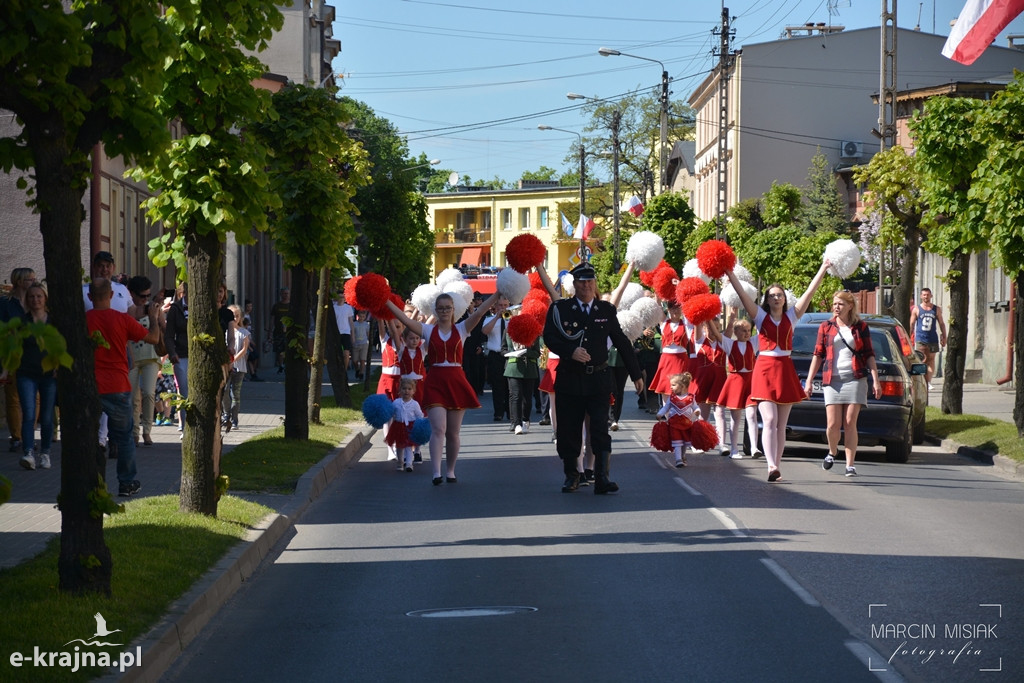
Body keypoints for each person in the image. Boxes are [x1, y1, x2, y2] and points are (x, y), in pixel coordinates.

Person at [725, 260, 831, 482]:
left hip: (784, 369)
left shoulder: (792, 316)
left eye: (779, 295)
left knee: (782, 424)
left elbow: (810, 292)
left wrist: (822, 267)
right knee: (770, 419)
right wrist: (729, 272)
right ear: (767, 300)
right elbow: (742, 295)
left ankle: (776, 465)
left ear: (785, 299)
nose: (776, 298)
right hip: (764, 369)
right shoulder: (760, 317)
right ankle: (771, 465)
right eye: (772, 295)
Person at [542, 262, 643, 494]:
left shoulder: (605, 310)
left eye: (590, 282)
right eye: (582, 282)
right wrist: (570, 352)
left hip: (598, 379)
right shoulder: (561, 309)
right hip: (570, 378)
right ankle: (572, 476)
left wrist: (636, 373)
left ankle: (602, 478)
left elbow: (621, 342)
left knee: (600, 429)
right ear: (574, 285)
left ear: (595, 284)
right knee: (569, 430)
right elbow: (549, 337)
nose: (586, 286)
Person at [385, 290, 501, 485]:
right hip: (436, 381)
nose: (445, 311)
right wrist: (386, 300)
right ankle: (436, 472)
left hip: (456, 381)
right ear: (436, 311)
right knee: (438, 428)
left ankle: (451, 471)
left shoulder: (463, 328)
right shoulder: (428, 330)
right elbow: (404, 320)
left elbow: (480, 311)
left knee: (453, 432)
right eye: (441, 308)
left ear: (454, 309)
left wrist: (498, 293)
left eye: (448, 308)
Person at [86, 278, 161, 496]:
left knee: (88, 436)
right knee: (124, 437)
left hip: (91, 385)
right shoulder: (121, 319)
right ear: (111, 296)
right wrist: (154, 318)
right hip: (118, 384)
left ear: (90, 297)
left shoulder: (84, 319)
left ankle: (89, 482)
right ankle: (126, 483)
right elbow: (154, 338)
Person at [803, 290, 882, 477]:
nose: (836, 307)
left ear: (850, 306)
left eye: (840, 304)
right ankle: (832, 451)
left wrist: (876, 380)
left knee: (849, 422)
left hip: (855, 378)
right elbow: (818, 355)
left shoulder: (861, 327)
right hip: (832, 380)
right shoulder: (826, 326)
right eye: (834, 303)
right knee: (832, 424)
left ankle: (850, 465)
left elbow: (869, 354)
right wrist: (808, 381)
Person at [2, 283, 57, 470]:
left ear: (45, 299)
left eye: (39, 296)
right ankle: (28, 453)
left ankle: (45, 453)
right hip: (26, 373)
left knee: (47, 416)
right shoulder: (22, 322)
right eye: (32, 297)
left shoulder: (53, 322)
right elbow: (14, 349)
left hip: (49, 375)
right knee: (29, 413)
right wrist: (5, 370)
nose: (35, 300)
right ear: (27, 300)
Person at [711, 315, 759, 459]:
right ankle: (734, 449)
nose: (746, 333)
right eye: (743, 330)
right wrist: (707, 318)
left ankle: (754, 447)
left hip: (750, 381)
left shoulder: (754, 343)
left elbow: (764, 329)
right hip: (735, 381)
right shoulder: (730, 344)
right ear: (736, 332)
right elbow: (717, 334)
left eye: (748, 330)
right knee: (736, 418)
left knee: (751, 415)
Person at [1, 267, 36, 453]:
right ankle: (17, 437)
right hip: (13, 352)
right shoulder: (6, 303)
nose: (33, 282)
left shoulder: (35, 300)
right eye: (30, 279)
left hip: (33, 352)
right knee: (13, 396)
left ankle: (29, 434)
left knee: (34, 397)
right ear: (20, 281)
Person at [127, 276, 164, 447]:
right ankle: (134, 432)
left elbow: (163, 329)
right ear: (132, 294)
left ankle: (147, 431)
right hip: (133, 355)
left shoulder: (153, 308)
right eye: (143, 296)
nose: (146, 300)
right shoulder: (128, 309)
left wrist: (156, 316)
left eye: (148, 295)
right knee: (133, 397)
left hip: (150, 355)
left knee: (148, 393)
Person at [647, 300, 692, 408]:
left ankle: (681, 413)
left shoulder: (686, 324)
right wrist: (658, 292)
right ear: (668, 310)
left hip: (680, 359)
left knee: (681, 387)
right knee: (666, 388)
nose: (675, 310)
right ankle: (667, 416)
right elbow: (657, 307)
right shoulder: (664, 322)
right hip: (666, 360)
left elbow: (688, 312)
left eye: (677, 308)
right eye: (672, 308)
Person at [503, 317, 541, 435]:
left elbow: (537, 353)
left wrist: (526, 352)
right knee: (515, 395)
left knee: (527, 398)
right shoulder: (508, 331)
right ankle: (516, 423)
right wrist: (510, 353)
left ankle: (525, 420)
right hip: (513, 368)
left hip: (529, 368)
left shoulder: (534, 333)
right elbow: (503, 349)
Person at [656, 373, 702, 468]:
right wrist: (660, 414)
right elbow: (666, 407)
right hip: (674, 423)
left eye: (673, 385)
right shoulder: (672, 397)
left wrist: (697, 411)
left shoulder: (690, 397)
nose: (671, 387)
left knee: (685, 442)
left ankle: (683, 455)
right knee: (677, 442)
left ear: (682, 386)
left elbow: (695, 406)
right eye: (671, 385)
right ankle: (678, 459)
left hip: (686, 424)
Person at [164, 281, 190, 437]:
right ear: (182, 293)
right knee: (184, 391)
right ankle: (185, 427)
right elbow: (168, 335)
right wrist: (172, 353)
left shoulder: (201, 307)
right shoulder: (175, 309)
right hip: (181, 355)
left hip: (197, 355)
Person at [908, 287, 946, 391]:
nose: (926, 297)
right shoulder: (916, 309)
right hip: (921, 338)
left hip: (933, 338)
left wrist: (944, 336)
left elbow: (941, 323)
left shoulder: (936, 309)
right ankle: (920, 382)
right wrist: (908, 337)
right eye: (924, 295)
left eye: (928, 295)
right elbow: (911, 324)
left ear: (931, 296)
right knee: (921, 360)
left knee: (931, 360)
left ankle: (928, 382)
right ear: (921, 296)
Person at [481, 296, 510, 423]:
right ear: (495, 307)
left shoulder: (512, 318)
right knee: (497, 386)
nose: (503, 308)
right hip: (495, 355)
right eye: (500, 305)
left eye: (505, 305)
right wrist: (497, 317)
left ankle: (511, 412)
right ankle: (498, 412)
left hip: (509, 355)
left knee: (510, 386)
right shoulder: (489, 319)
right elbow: (484, 331)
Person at [385, 378, 425, 472]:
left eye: (409, 389)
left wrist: (421, 424)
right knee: (399, 446)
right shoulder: (396, 402)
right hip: (398, 426)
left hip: (410, 427)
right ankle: (400, 461)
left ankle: (409, 464)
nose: (406, 391)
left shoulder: (415, 404)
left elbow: (419, 415)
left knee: (409, 446)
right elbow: (392, 413)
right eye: (404, 388)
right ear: (400, 390)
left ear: (413, 391)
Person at [222, 304, 250, 432]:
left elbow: (244, 349)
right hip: (226, 367)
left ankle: (234, 419)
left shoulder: (244, 333)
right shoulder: (226, 332)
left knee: (235, 394)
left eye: (237, 316)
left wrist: (233, 361)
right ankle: (226, 415)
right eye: (233, 316)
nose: (235, 318)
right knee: (225, 392)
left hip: (239, 368)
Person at [333, 293, 355, 376]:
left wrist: (353, 335)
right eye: (340, 296)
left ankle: (344, 371)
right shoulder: (334, 308)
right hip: (337, 332)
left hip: (346, 332)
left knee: (346, 353)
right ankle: (337, 369)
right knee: (337, 353)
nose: (341, 298)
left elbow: (351, 322)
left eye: (343, 297)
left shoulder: (348, 308)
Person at [269, 288, 290, 372]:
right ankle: (281, 365)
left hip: (289, 331)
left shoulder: (291, 306)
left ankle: (286, 364)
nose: (285, 295)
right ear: (281, 295)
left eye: (287, 293)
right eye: (284, 294)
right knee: (279, 349)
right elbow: (272, 319)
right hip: (278, 331)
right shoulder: (277, 306)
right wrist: (270, 331)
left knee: (288, 348)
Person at [350, 309, 370, 380]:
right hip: (356, 344)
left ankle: (361, 373)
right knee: (354, 360)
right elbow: (352, 333)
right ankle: (357, 369)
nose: (361, 317)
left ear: (365, 317)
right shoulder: (354, 324)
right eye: (360, 316)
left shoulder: (366, 324)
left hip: (364, 344)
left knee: (362, 360)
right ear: (357, 316)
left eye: (363, 316)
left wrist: (369, 340)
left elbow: (368, 334)